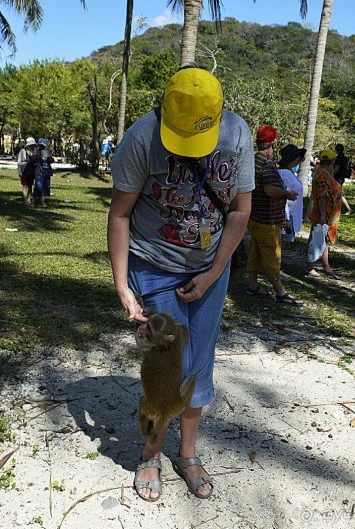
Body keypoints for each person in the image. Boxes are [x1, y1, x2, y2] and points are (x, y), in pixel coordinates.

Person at [107, 67, 255, 502]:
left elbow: (240, 212)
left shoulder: (237, 134)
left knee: (199, 364)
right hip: (153, 263)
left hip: (212, 265)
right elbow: (119, 215)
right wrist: (122, 284)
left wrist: (212, 274)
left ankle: (187, 454)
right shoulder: (140, 138)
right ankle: (151, 453)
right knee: (167, 369)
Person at [246, 125, 303, 306]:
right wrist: (287, 194)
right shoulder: (268, 163)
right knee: (272, 256)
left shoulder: (253, 159)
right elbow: (270, 190)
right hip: (266, 220)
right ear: (274, 143)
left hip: (254, 217)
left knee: (255, 252)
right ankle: (280, 292)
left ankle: (253, 286)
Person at [306, 148, 342, 279]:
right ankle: (310, 266)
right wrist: (322, 215)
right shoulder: (323, 174)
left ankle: (326, 266)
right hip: (324, 213)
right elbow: (322, 195)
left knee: (322, 238)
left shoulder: (324, 173)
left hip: (327, 213)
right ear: (333, 161)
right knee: (316, 238)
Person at [278, 144, 307, 243]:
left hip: (292, 214)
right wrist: (284, 218)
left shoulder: (289, 171)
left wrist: (299, 159)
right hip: (288, 215)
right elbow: (283, 197)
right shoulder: (284, 174)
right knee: (281, 245)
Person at [17, 137, 38, 205]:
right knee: (25, 185)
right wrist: (19, 171)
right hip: (24, 170)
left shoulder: (34, 152)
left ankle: (29, 199)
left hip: (31, 170)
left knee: (30, 185)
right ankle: (25, 200)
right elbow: (19, 162)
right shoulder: (22, 151)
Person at [33, 138, 54, 207]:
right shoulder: (36, 152)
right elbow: (33, 160)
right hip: (39, 171)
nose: (42, 147)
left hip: (47, 171)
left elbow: (51, 160)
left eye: (43, 146)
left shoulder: (46, 152)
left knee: (45, 187)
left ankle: (43, 201)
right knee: (38, 186)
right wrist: (37, 153)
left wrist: (50, 158)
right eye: (41, 145)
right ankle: (34, 200)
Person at [334, 143, 353, 215]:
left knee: (338, 194)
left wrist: (330, 175)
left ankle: (347, 209)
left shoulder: (339, 158)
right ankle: (340, 208)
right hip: (341, 177)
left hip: (337, 177)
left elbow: (336, 169)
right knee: (338, 193)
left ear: (336, 150)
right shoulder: (344, 158)